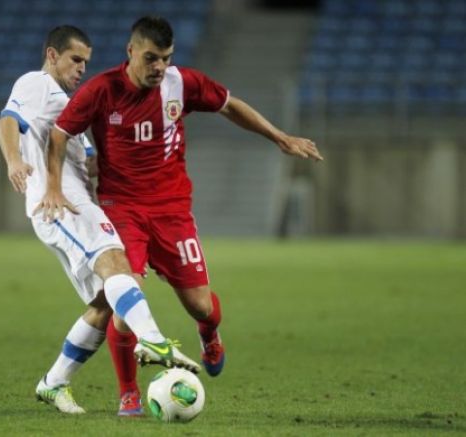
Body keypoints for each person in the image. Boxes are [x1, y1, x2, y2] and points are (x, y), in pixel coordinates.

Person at [37, 16, 324, 416]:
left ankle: (209, 336)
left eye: (166, 59)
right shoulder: (102, 90)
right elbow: (58, 133)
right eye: (151, 58)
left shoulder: (181, 83)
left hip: (173, 211)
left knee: (201, 306)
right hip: (123, 208)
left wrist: (281, 138)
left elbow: (230, 105)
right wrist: (53, 184)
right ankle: (129, 394)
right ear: (131, 52)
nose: (159, 68)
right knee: (123, 294)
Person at [0, 25, 200, 416]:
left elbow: (87, 159)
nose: (81, 69)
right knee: (117, 267)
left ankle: (53, 383)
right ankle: (154, 339)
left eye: (86, 63)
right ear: (52, 55)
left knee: (107, 299)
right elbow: (7, 121)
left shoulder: (71, 104)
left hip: (81, 201)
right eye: (75, 60)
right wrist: (13, 160)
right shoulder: (35, 83)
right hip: (61, 203)